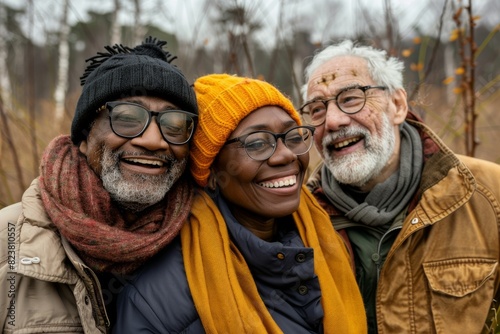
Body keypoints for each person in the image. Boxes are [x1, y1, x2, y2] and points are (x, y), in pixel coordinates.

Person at [114, 74, 367, 333]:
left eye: (292, 137)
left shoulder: (330, 241)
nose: (286, 155)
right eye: (257, 143)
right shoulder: (155, 301)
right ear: (210, 173)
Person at [299, 39, 500, 333]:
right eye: (317, 109)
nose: (332, 121)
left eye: (352, 98)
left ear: (397, 105)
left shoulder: (488, 194)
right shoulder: (301, 220)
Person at [0, 36, 198, 333]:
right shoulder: (7, 244)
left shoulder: (205, 241)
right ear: (83, 138)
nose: (154, 141)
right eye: (128, 117)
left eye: (174, 124)